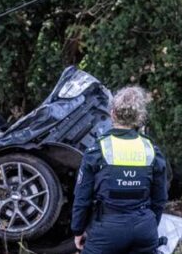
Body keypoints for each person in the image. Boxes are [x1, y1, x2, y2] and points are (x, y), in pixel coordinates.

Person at [71, 86, 168, 254]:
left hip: (107, 230)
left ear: (112, 113)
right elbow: (160, 198)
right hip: (144, 228)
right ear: (139, 117)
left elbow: (82, 198)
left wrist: (78, 230)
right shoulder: (151, 149)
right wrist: (151, 225)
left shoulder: (98, 149)